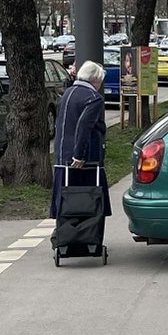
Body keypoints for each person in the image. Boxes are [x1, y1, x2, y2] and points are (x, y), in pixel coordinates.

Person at [52, 60, 110, 220]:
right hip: (85, 160)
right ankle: (87, 231)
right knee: (88, 203)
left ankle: (66, 231)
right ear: (96, 79)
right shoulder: (94, 98)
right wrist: (79, 155)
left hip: (62, 156)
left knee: (65, 203)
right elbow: (84, 126)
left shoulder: (67, 93)